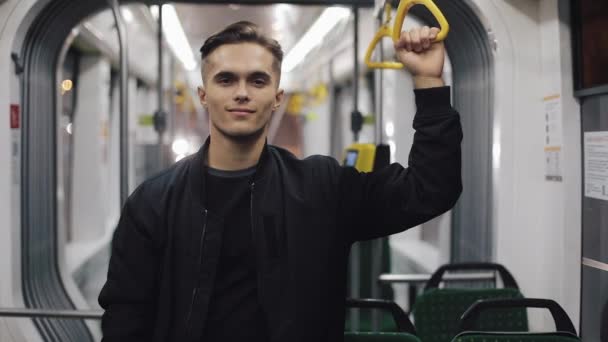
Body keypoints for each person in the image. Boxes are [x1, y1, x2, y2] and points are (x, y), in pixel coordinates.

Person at [99, 20, 462, 342]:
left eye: (257, 80)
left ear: (276, 98)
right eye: (226, 79)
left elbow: (429, 189)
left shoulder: (322, 188)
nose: (242, 92)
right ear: (204, 95)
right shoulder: (153, 202)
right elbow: (125, 319)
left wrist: (428, 82)